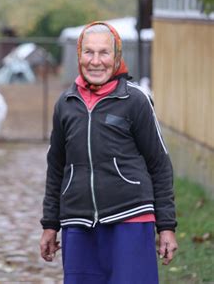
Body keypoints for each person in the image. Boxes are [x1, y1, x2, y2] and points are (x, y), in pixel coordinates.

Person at [39, 22, 177, 284]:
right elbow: (56, 167)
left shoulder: (135, 100)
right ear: (79, 55)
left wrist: (166, 227)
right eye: (88, 52)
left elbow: (159, 164)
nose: (96, 61)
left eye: (104, 53)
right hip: (78, 223)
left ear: (117, 58)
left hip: (131, 219)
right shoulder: (66, 104)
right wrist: (50, 224)